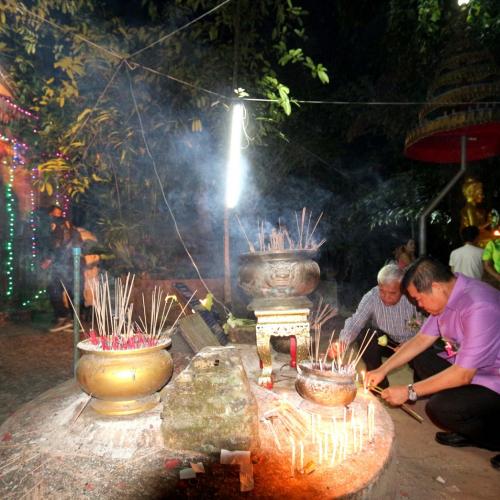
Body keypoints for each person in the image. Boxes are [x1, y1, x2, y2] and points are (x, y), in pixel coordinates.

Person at [366, 257, 500, 471]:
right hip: (470, 367)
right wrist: (382, 370)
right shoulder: (449, 294)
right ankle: (469, 427)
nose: (419, 305)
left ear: (435, 287)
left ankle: (492, 437)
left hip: (493, 378)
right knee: (421, 356)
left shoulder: (479, 307)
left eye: (418, 299)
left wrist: (409, 391)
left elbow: (463, 375)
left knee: (440, 408)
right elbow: (421, 339)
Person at [333, 263, 421, 388]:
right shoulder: (372, 296)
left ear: (402, 289)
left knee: (424, 354)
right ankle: (379, 384)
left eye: (392, 293)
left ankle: (419, 389)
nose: (386, 297)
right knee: (366, 335)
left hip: (412, 343)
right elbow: (356, 321)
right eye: (382, 291)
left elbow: (426, 328)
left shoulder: (412, 297)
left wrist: (409, 343)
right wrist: (343, 341)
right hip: (386, 342)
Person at [41, 205, 83, 332]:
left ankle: (63, 318)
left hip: (63, 263)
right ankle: (74, 321)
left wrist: (49, 259)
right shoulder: (69, 225)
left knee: (54, 289)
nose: (57, 216)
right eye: (56, 213)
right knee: (70, 291)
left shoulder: (58, 225)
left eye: (58, 213)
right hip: (72, 263)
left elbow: (57, 243)